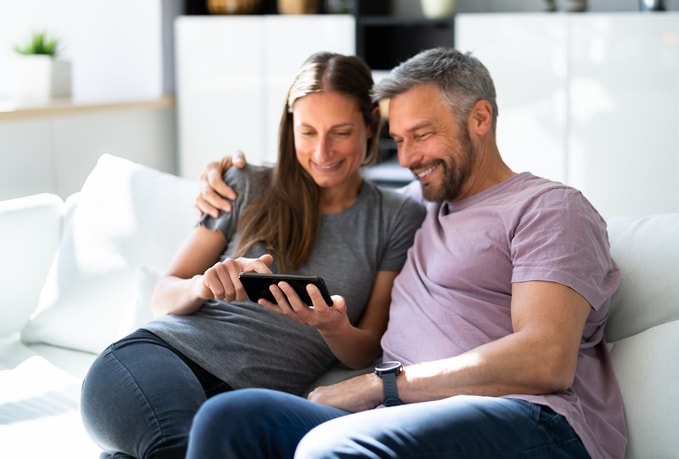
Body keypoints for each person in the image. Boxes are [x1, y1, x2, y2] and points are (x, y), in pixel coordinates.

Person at [186, 47, 626, 459]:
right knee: (230, 419)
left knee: (330, 450)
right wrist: (230, 175)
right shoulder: (413, 206)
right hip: (399, 417)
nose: (408, 158)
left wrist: (380, 387)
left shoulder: (548, 208)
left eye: (422, 135)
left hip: (528, 417)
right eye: (399, 140)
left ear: (480, 117)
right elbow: (327, 181)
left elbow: (546, 360)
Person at [79, 52, 426, 459]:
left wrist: (332, 326)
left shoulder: (398, 216)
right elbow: (163, 294)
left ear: (370, 123)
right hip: (157, 358)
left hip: (241, 404)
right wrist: (204, 285)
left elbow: (365, 347)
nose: (322, 151)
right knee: (178, 448)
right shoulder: (244, 183)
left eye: (341, 132)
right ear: (289, 127)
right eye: (308, 132)